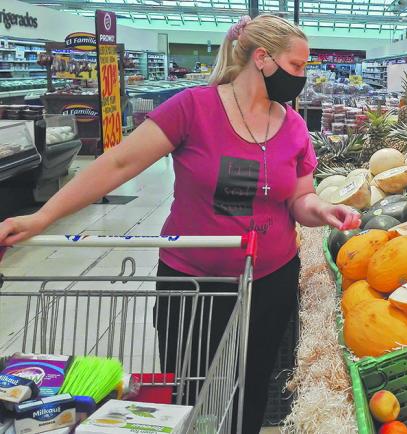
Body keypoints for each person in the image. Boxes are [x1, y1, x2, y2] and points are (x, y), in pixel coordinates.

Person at [0, 14, 360, 429]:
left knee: (253, 385)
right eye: (297, 66)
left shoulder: (294, 125)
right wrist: (42, 216)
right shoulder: (194, 108)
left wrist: (322, 211)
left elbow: (300, 198)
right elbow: (119, 162)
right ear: (262, 58)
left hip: (270, 281)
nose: (301, 76)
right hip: (194, 284)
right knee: (193, 389)